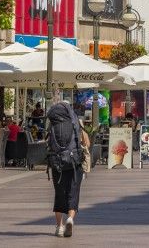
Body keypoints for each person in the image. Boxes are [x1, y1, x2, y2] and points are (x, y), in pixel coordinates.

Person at [46, 92, 88, 238]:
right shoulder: (75, 121)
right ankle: (70, 218)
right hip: (74, 161)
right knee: (73, 193)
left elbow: (49, 143)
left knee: (59, 194)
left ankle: (59, 226)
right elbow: (86, 143)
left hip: (57, 162)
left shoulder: (53, 123)